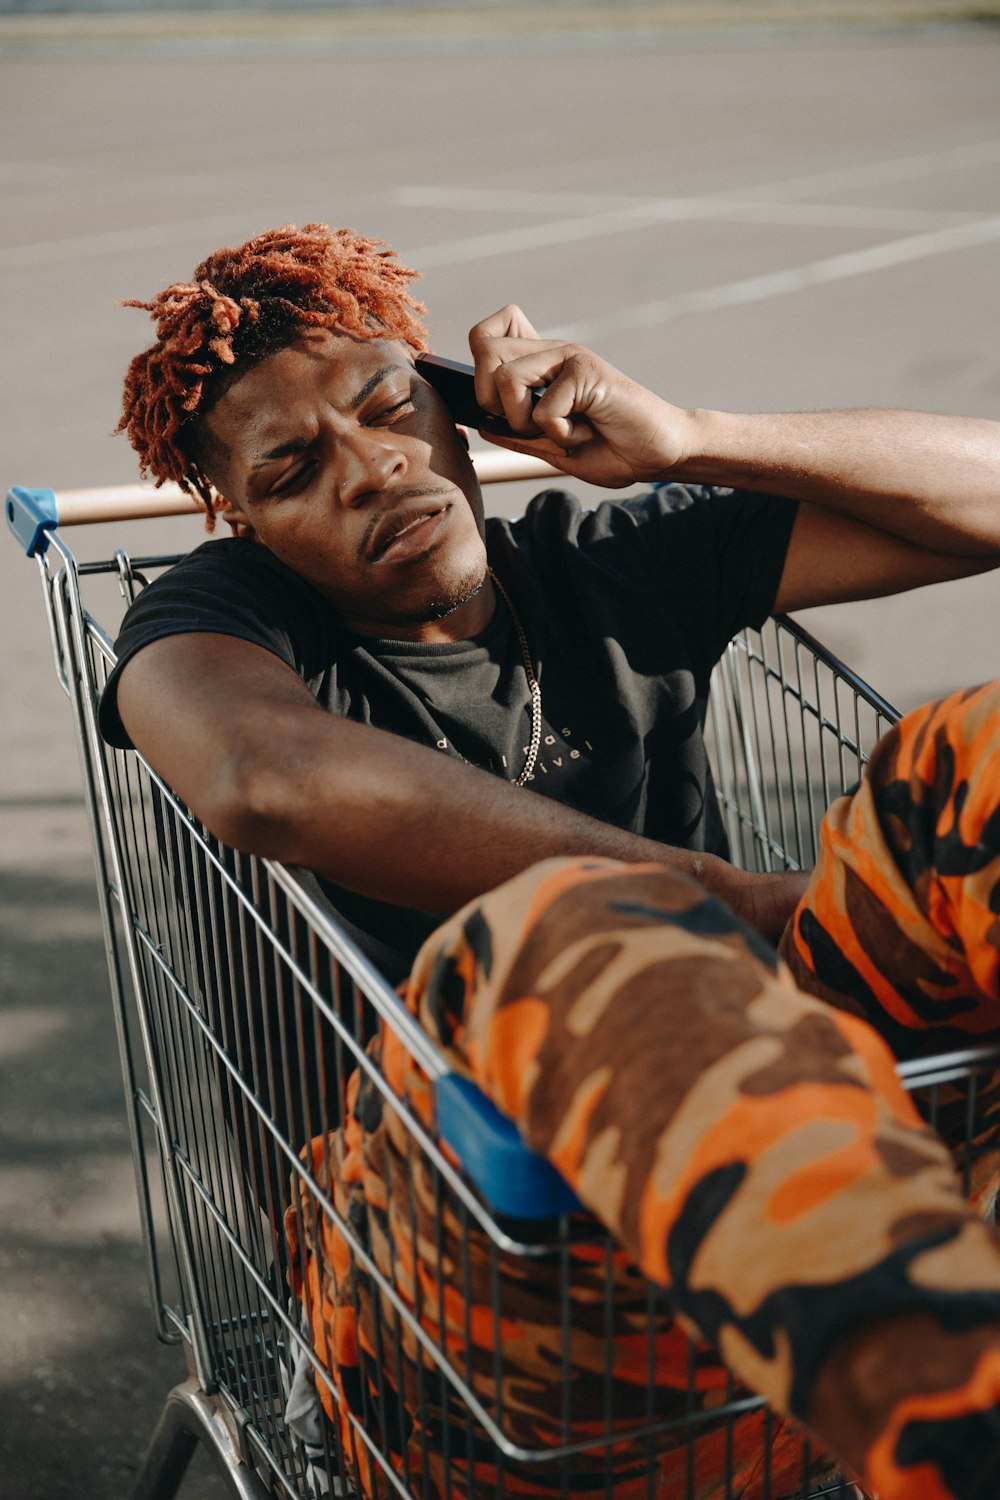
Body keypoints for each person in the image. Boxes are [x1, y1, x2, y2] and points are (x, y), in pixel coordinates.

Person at [101, 223, 1000, 1499]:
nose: (369, 471)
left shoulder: (607, 565)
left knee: (969, 758)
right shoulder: (224, 620)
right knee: (576, 934)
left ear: (461, 420)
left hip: (776, 1198)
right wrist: (743, 908)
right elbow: (265, 779)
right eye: (296, 469)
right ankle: (946, 1411)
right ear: (235, 520)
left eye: (388, 410)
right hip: (449, 1314)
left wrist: (686, 433)